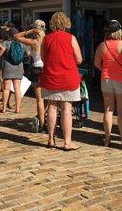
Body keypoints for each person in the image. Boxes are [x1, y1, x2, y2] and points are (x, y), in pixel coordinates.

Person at [41, 12, 83, 151]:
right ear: (66, 23)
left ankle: (51, 139)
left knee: (51, 107)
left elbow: (43, 59)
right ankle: (67, 142)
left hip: (50, 77)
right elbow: (79, 60)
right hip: (68, 77)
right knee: (66, 109)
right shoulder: (71, 38)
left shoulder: (46, 39)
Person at [94, 20, 122, 149]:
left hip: (106, 80)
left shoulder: (102, 45)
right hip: (121, 80)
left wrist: (105, 71)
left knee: (108, 109)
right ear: (119, 31)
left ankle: (107, 139)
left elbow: (96, 63)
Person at [14, 20, 47, 132]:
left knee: (39, 100)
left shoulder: (34, 42)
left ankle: (42, 124)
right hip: (47, 69)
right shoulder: (47, 40)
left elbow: (16, 36)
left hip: (37, 69)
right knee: (48, 98)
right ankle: (47, 119)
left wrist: (29, 30)